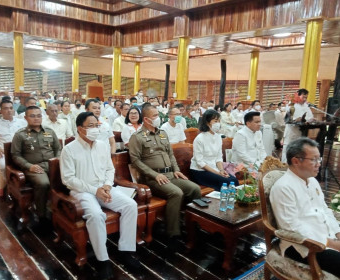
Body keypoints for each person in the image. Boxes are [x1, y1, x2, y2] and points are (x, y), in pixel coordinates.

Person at [60, 112, 140, 280]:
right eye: (91, 126)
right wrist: (94, 189)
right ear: (80, 129)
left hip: (104, 188)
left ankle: (126, 251)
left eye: (97, 125)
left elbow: (110, 169)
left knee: (130, 205)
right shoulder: (69, 149)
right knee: (96, 215)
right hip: (82, 192)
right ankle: (102, 260)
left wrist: (107, 186)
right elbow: (68, 179)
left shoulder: (102, 145)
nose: (95, 129)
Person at [128, 104, 201, 251]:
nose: (158, 118)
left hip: (170, 174)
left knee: (195, 189)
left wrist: (176, 170)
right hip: (153, 178)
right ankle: (173, 234)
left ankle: (190, 225)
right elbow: (135, 161)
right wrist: (155, 175)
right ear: (147, 119)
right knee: (176, 193)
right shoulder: (137, 137)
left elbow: (170, 154)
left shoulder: (162, 133)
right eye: (155, 116)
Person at [270, 137, 340, 279]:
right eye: (314, 159)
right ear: (296, 161)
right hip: (303, 245)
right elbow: (291, 227)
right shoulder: (283, 187)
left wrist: (339, 233)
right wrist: (333, 244)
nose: (319, 164)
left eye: (319, 159)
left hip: (327, 235)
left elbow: (324, 211)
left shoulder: (312, 181)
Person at [11, 106, 60, 221]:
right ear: (26, 118)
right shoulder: (20, 135)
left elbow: (58, 148)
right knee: (43, 183)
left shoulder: (49, 131)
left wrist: (57, 160)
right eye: (32, 116)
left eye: (39, 116)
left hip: (52, 165)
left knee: (68, 180)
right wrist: (29, 166)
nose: (36, 118)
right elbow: (15, 155)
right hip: (34, 168)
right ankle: (41, 214)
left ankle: (62, 211)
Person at [190, 110, 239, 191]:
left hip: (214, 168)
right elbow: (200, 162)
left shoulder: (218, 137)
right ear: (207, 122)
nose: (218, 124)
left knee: (234, 181)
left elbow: (219, 157)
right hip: (200, 171)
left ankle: (233, 202)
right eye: (215, 121)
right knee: (225, 183)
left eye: (219, 121)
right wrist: (217, 173)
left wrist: (221, 170)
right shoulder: (199, 139)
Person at [0, 100, 27, 196]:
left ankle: (21, 187)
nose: (9, 110)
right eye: (5, 108)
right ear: (0, 111)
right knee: (2, 165)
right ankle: (9, 186)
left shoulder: (22, 122)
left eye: (11, 108)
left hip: (21, 152)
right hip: (4, 152)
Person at [282, 88, 315, 162]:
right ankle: (284, 166)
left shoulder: (306, 106)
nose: (305, 99)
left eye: (306, 97)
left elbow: (310, 117)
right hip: (292, 131)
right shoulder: (292, 105)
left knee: (298, 151)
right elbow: (288, 118)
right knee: (288, 150)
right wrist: (297, 119)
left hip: (301, 131)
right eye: (303, 97)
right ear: (297, 96)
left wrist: (310, 120)